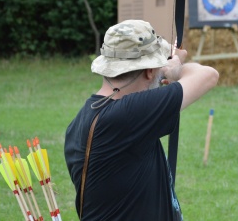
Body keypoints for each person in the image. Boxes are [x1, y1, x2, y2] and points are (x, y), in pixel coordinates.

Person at [64, 19, 219, 220]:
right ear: (148, 71)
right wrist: (172, 68)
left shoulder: (84, 118)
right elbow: (207, 75)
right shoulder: (127, 115)